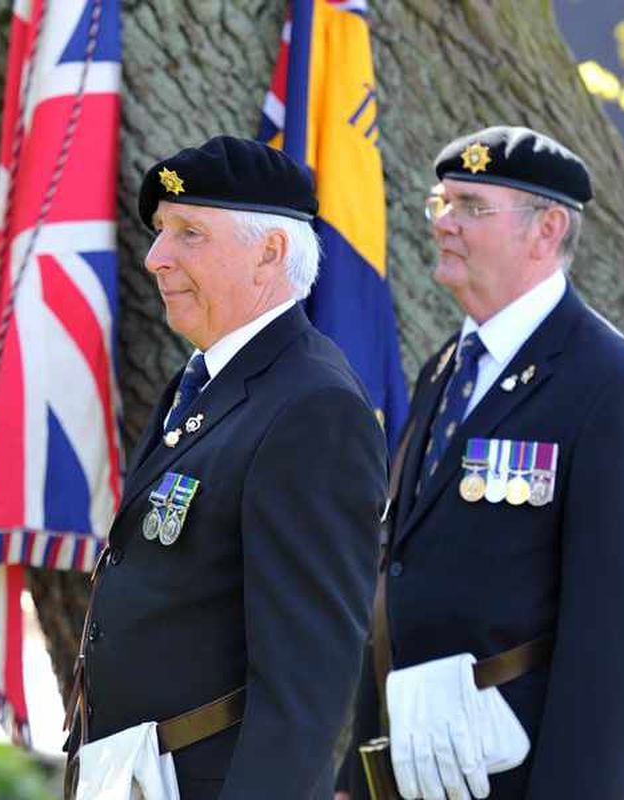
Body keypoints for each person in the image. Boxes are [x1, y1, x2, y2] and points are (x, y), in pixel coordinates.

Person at [336, 126, 624, 800]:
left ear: (546, 230)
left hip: (518, 775)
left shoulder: (609, 386)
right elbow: (395, 579)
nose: (445, 225)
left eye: (470, 207)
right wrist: (360, 769)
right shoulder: (448, 368)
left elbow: (615, 636)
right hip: (413, 768)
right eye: (442, 204)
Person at [67, 135, 389, 799]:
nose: (156, 258)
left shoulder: (312, 407)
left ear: (270, 253)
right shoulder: (207, 383)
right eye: (161, 232)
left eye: (189, 233)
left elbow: (307, 685)